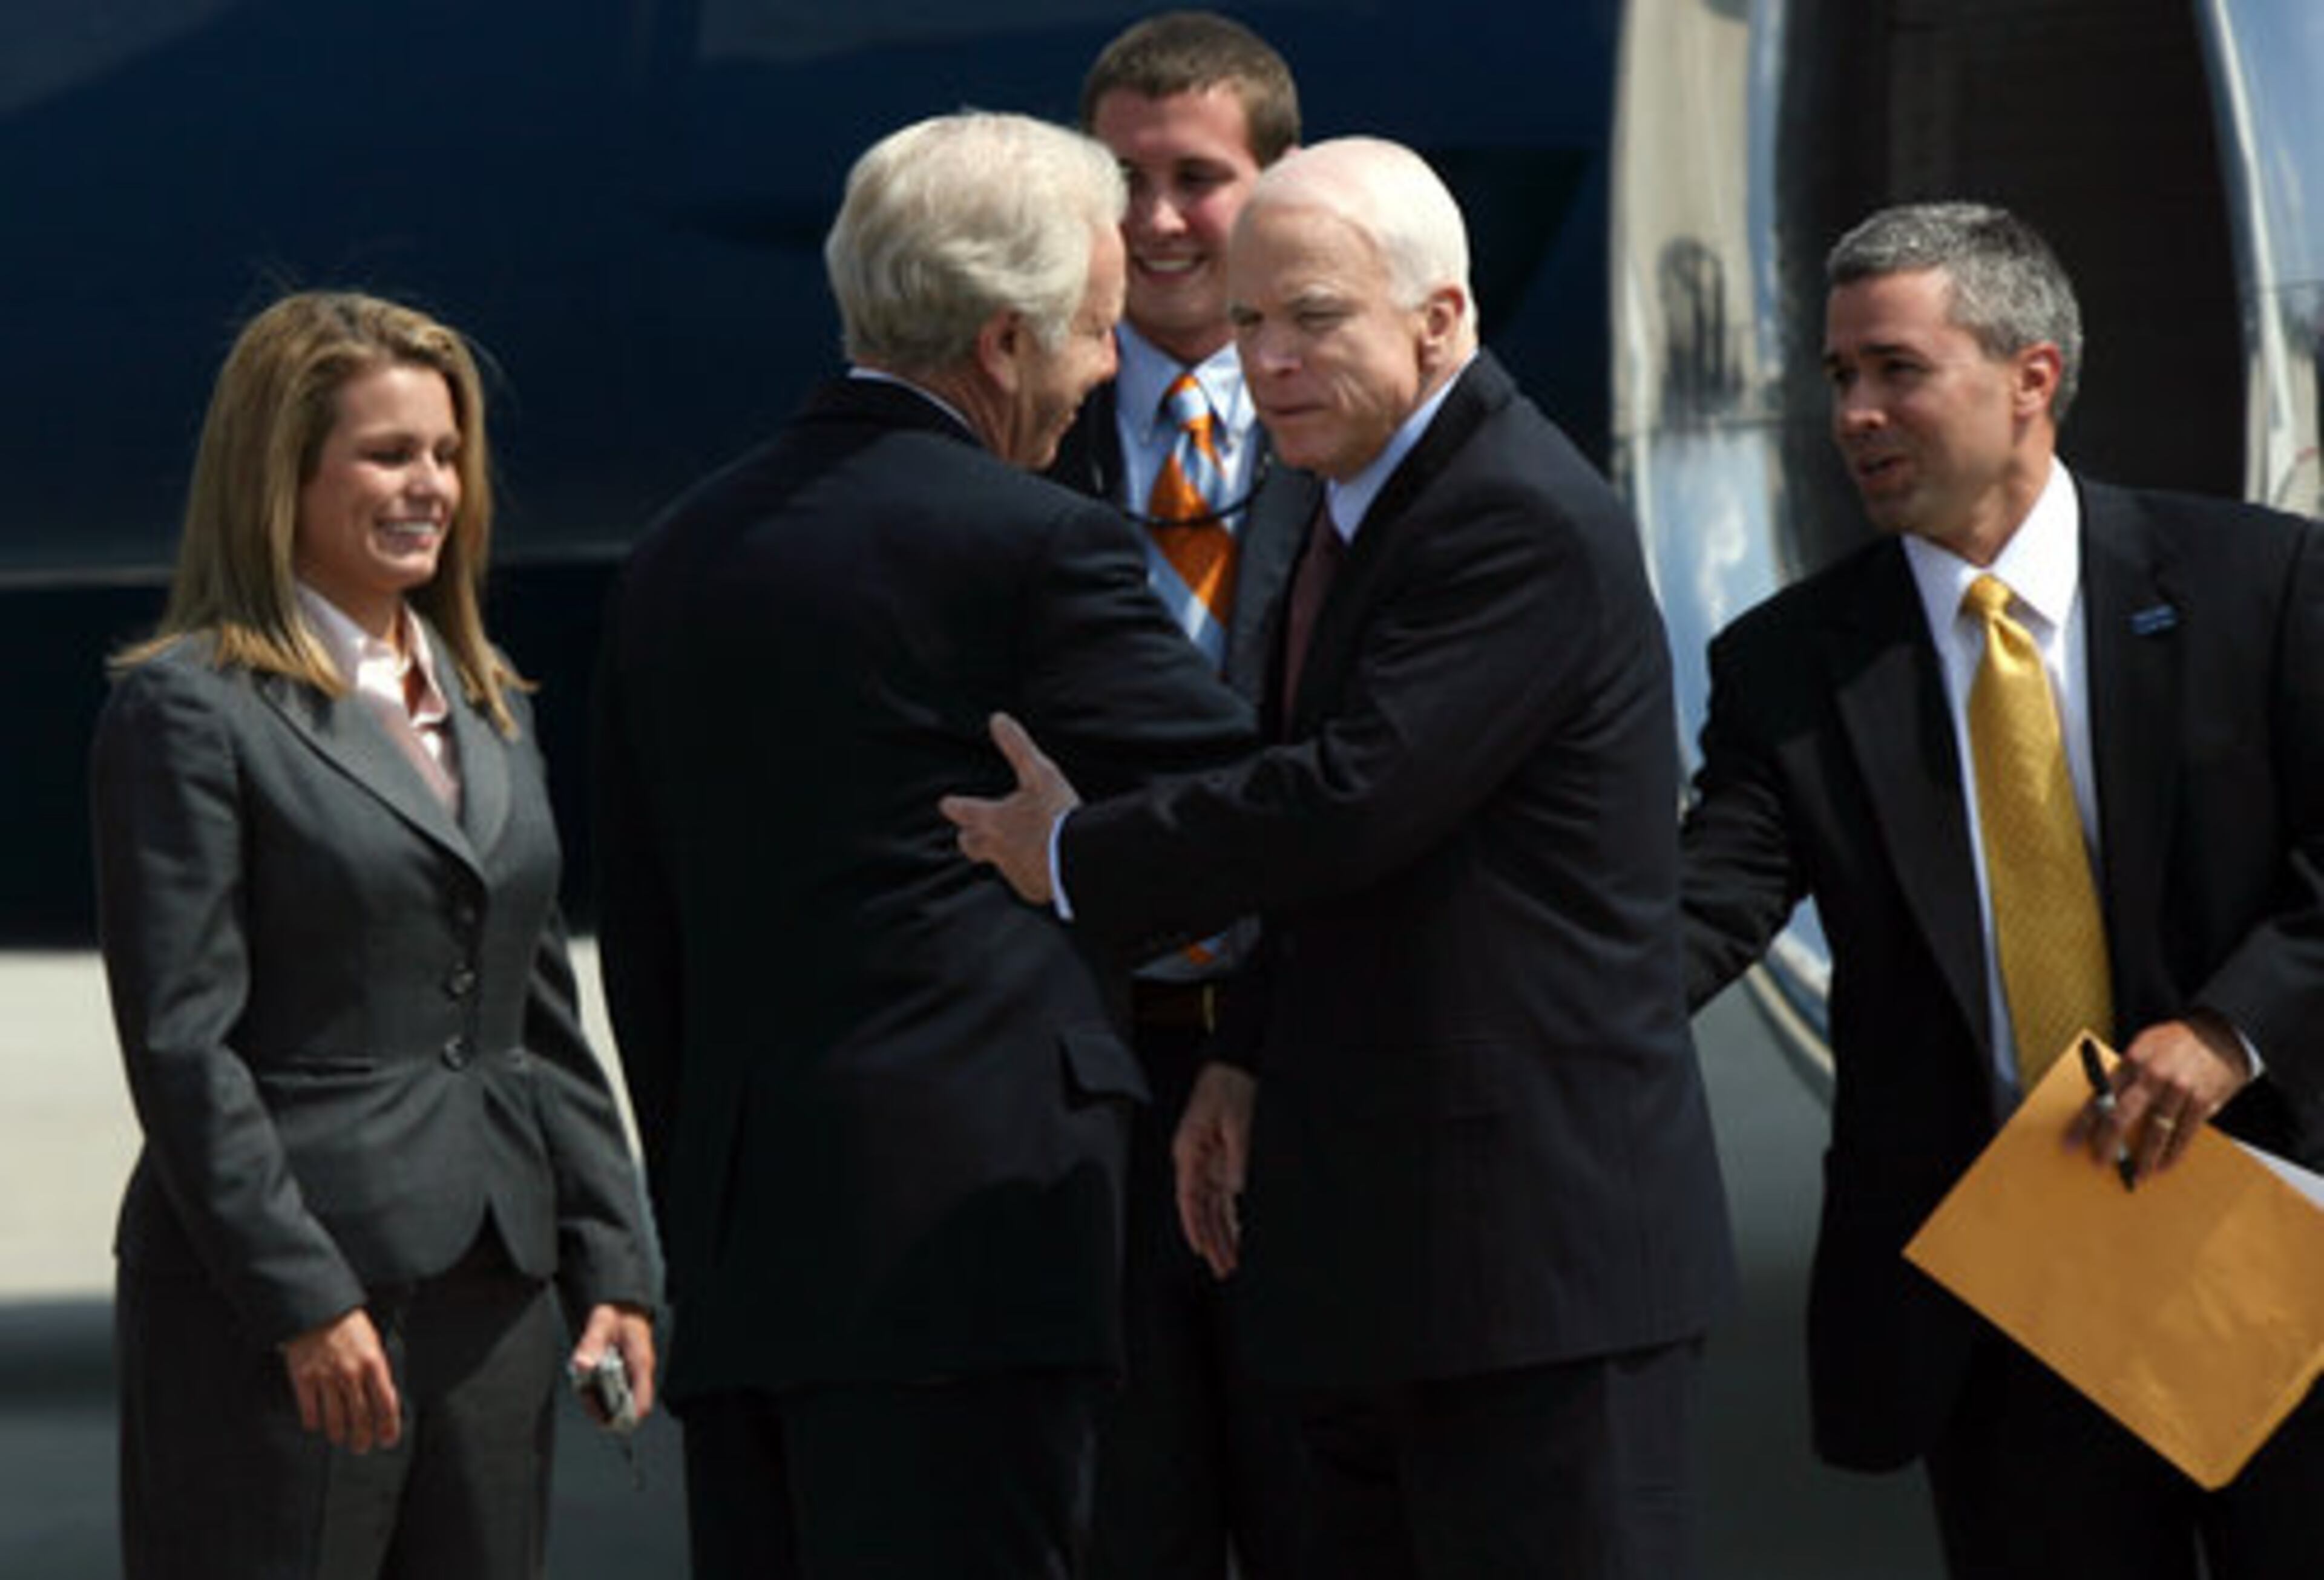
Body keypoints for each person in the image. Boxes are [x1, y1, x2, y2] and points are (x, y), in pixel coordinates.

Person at [944, 136, 1734, 1579]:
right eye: (1249, 324)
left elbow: (1352, 800)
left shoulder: (1511, 516)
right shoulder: (1368, 509)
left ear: (1440, 319)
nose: (1268, 362)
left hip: (1533, 1276)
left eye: (1315, 319)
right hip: (1400, 1253)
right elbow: (1368, 868)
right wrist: (1247, 1052)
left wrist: (1074, 854)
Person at [591, 111, 1256, 1579]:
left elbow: (640, 928)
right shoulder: (1033, 542)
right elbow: (1246, 809)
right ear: (1004, 345)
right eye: (1092, 334)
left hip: (749, 1255)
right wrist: (1077, 852)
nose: (1102, 374)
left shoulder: (676, 555)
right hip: (974, 1254)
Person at [1678, 201, 2324, 1578]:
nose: (1855, 413)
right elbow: (1703, 907)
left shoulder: (2258, 583)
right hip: (2007, 1303)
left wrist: (2226, 1030)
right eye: (1840, 376)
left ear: (2032, 376)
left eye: (1896, 370)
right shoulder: (1788, 666)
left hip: (2267, 1258)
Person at [89, 290, 660, 1580]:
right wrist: (301, 1295)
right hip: (286, 1303)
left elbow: (536, 1017)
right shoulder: (192, 710)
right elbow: (185, 1047)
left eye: (447, 455)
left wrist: (614, 1261)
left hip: (493, 1298)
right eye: (389, 454)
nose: (431, 487)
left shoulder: (484, 695)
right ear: (280, 472)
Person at [1049, 13, 1316, 1578]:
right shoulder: (1022, 441)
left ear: (1273, 189)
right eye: (1121, 178)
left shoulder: (1347, 439)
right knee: (1124, 1510)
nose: (1153, 220)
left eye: (1196, 179)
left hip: (1303, 1056)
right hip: (1093, 1058)